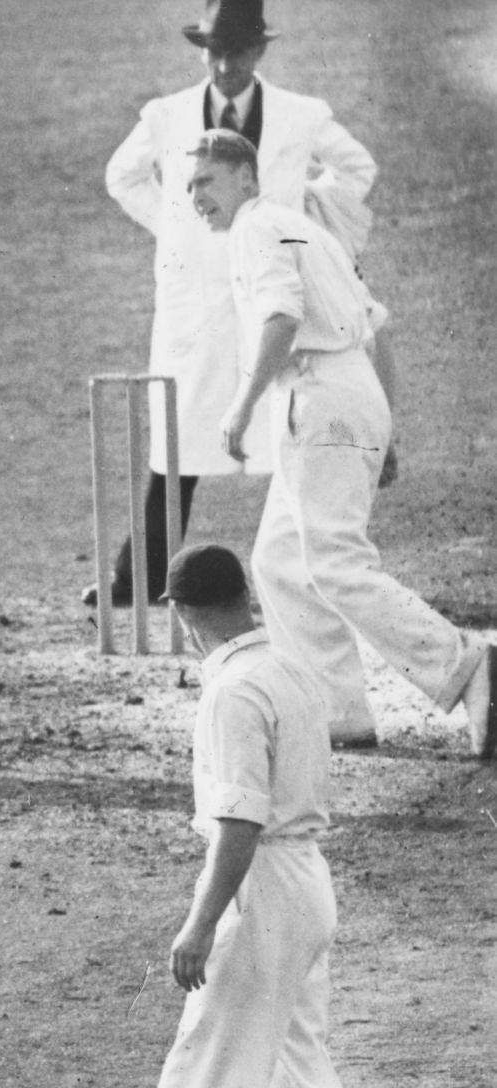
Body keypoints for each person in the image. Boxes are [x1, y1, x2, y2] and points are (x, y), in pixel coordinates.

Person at [92, 543, 379, 1088]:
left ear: (184, 614)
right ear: (244, 597)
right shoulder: (288, 669)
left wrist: (199, 924)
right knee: (293, 1065)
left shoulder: (233, 690)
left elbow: (240, 823)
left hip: (264, 888)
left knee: (208, 1062)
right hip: (309, 880)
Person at [189, 129, 493, 756]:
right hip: (349, 394)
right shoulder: (307, 230)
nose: (197, 197)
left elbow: (281, 317)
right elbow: (377, 329)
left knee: (332, 562)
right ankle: (335, 712)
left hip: (318, 398)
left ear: (247, 177)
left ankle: (466, 664)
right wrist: (385, 426)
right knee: (280, 561)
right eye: (189, 187)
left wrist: (241, 408)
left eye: (207, 181)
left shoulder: (254, 229)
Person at [99, 0, 375, 607]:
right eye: (213, 52)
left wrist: (307, 218)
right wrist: (176, 229)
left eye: (237, 52)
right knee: (179, 441)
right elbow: (123, 175)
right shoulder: (168, 115)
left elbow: (357, 167)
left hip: (271, 289)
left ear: (259, 51)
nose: (224, 65)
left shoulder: (301, 115)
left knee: (286, 430)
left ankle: (307, 571)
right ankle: (136, 578)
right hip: (193, 302)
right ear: (202, 50)